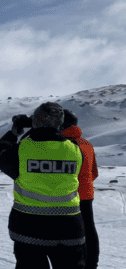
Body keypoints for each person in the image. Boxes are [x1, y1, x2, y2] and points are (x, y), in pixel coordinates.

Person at [0, 102, 85, 269]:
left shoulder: (23, 149)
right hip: (70, 228)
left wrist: (15, 131)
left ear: (36, 121)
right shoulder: (75, 151)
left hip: (29, 228)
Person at [61, 109, 99, 269]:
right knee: (89, 229)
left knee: (69, 234)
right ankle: (92, 263)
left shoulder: (64, 145)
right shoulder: (87, 144)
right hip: (87, 194)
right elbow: (94, 172)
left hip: (70, 196)